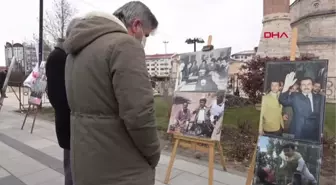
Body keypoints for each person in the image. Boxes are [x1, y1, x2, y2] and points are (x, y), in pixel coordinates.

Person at [63, 2, 161, 185]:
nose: (144, 39)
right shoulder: (124, 45)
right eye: (146, 34)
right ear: (136, 25)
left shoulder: (77, 50)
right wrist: (154, 153)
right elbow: (139, 113)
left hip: (85, 164)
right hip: (121, 169)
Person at [45, 19, 79, 185]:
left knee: (76, 166)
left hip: (73, 122)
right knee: (72, 168)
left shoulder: (67, 55)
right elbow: (56, 95)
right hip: (69, 122)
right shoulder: (58, 57)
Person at [279, 72, 324, 142]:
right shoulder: (295, 96)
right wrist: (286, 86)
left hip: (314, 133)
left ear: (312, 86)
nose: (306, 86)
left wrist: (321, 131)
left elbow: (321, 116)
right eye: (303, 84)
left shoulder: (319, 98)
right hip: (298, 132)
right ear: (300, 87)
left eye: (308, 84)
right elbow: (283, 100)